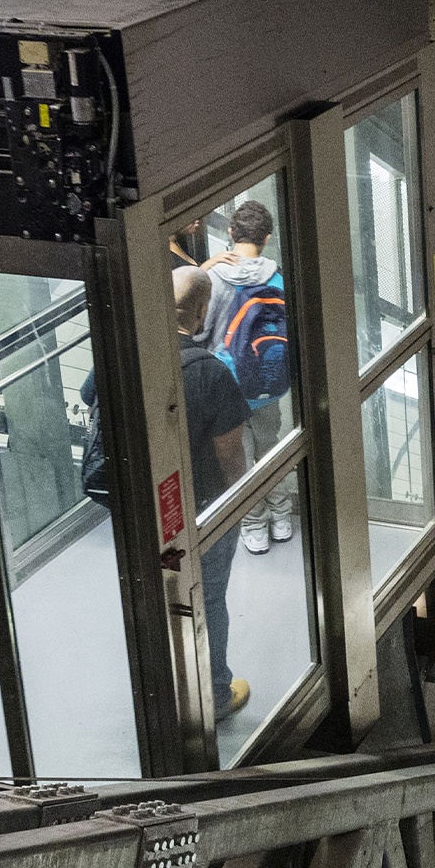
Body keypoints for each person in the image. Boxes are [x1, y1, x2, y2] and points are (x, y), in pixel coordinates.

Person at [174, 266, 252, 721]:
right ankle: (216, 693)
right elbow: (230, 453)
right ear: (203, 311)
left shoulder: (132, 352)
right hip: (203, 508)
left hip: (148, 507)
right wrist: (241, 500)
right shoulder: (211, 373)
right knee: (209, 597)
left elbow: (90, 396)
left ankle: (169, 692)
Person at [197, 200, 296, 554]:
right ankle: (281, 518)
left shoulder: (213, 278)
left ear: (230, 233)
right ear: (266, 238)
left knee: (239, 459)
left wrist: (203, 270)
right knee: (270, 449)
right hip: (268, 383)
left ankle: (254, 526)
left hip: (228, 385)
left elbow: (199, 331)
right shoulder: (278, 276)